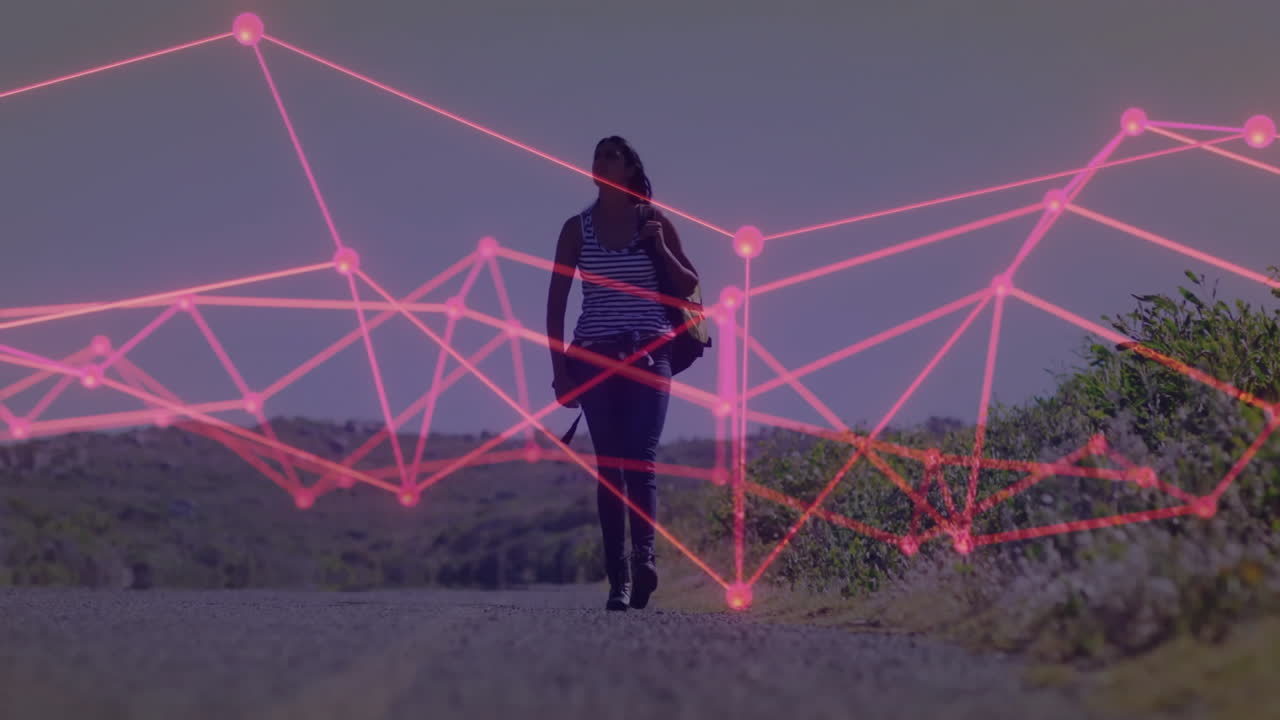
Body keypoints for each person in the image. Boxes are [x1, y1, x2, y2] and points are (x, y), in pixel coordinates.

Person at [545, 136, 699, 611]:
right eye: (597, 156)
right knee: (610, 467)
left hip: (650, 353)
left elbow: (689, 283)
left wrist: (660, 246)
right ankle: (619, 580)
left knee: (641, 459)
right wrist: (559, 372)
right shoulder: (577, 229)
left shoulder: (654, 221)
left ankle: (644, 560)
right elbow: (555, 304)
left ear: (630, 169)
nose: (601, 162)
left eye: (611, 156)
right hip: (595, 356)